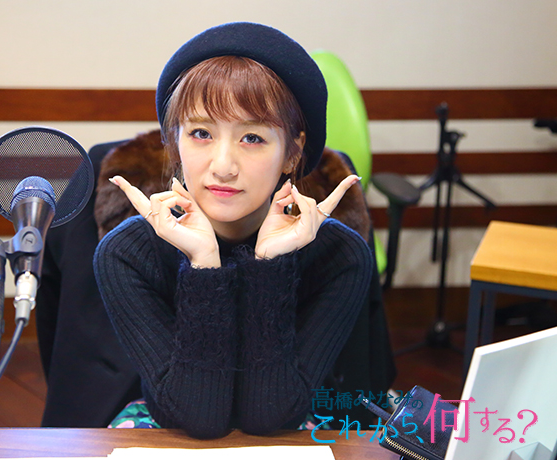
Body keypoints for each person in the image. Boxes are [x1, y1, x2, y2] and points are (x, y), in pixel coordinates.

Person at [93, 22, 374, 439]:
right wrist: (204, 265)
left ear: (292, 153)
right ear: (175, 141)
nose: (223, 166)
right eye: (201, 133)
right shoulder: (127, 252)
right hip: (170, 424)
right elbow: (197, 417)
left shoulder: (338, 254)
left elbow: (270, 417)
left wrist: (270, 263)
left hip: (294, 425)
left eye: (253, 138)